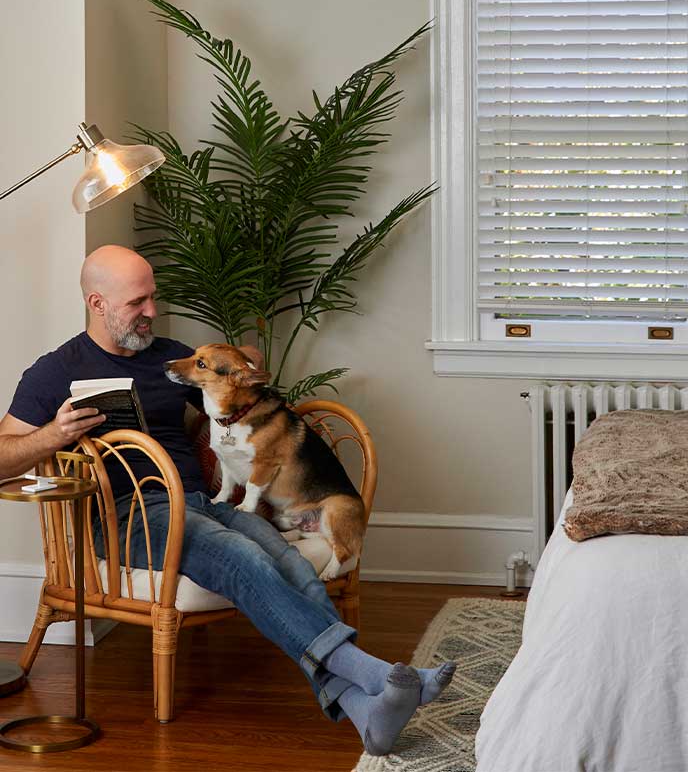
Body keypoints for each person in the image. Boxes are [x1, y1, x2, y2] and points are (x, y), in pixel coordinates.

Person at [0, 245, 455, 754]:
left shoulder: (170, 359)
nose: (152, 311)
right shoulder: (55, 370)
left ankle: (366, 709)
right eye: (137, 302)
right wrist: (53, 434)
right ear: (97, 302)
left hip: (202, 500)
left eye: (153, 297)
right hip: (129, 516)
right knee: (241, 556)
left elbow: (233, 398)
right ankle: (375, 674)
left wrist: (245, 368)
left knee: (284, 557)